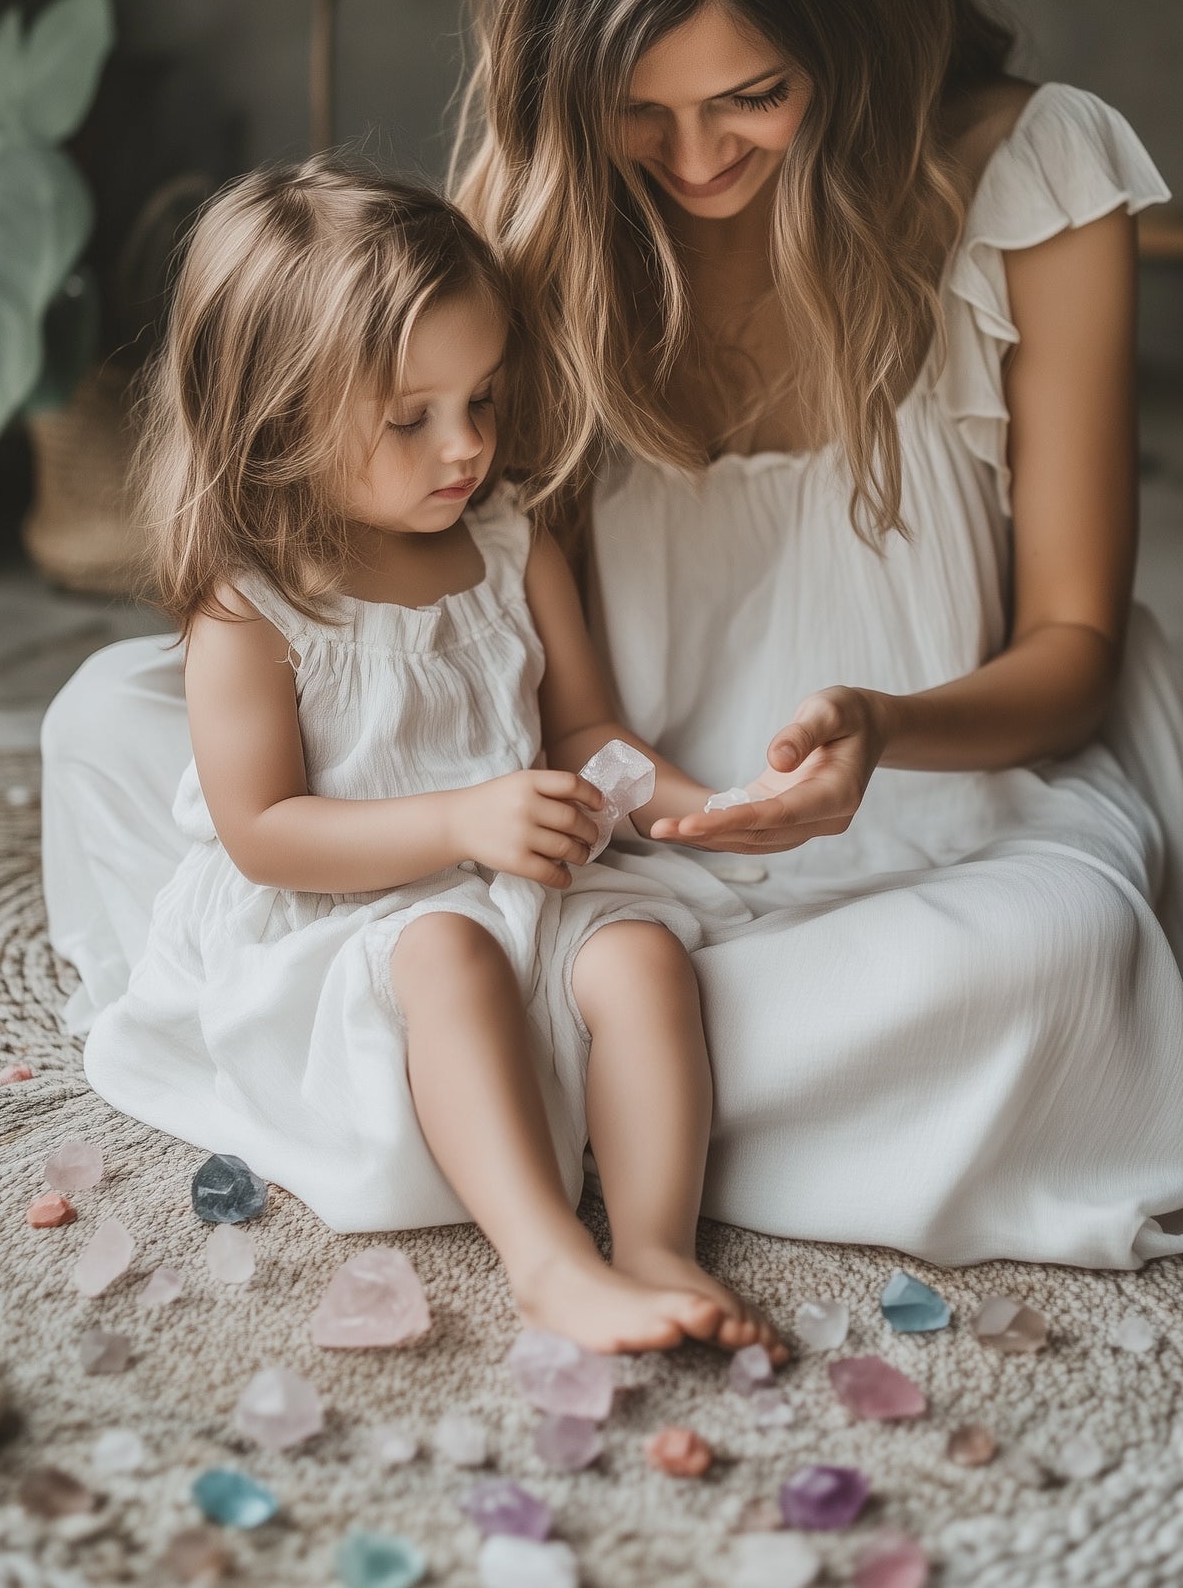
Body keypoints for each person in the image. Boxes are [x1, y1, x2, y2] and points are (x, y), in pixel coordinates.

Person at [45, 0, 1183, 1271]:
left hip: (935, 806)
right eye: (637, 106)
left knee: (1069, 962)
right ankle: (580, 1058)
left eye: (750, 94)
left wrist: (887, 727)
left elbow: (1071, 648)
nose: (689, 157)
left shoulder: (1035, 178)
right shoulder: (534, 210)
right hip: (568, 821)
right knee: (113, 727)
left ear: (852, 24)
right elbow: (414, 574)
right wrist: (499, 806)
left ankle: (480, 1082)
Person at [81, 159, 785, 1356]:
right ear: (278, 421)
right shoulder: (253, 605)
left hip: (507, 881)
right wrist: (461, 821)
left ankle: (657, 1243)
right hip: (334, 917)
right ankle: (547, 1258)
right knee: (448, 950)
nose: (464, 448)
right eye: (410, 419)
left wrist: (702, 805)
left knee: (644, 959)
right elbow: (263, 830)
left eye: (484, 398)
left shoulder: (509, 541)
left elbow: (584, 734)